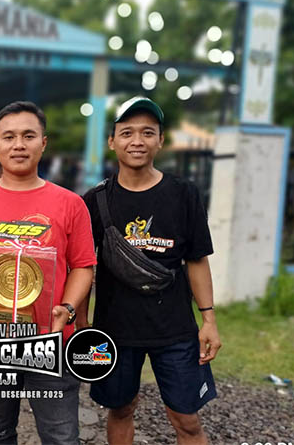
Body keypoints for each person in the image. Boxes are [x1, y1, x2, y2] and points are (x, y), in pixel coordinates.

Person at [0, 101, 96, 445]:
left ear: (44, 143)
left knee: (61, 437)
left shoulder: (71, 204)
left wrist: (68, 308)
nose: (19, 145)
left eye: (28, 135)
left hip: (51, 341)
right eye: (9, 137)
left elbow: (83, 266)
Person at [81, 96, 221, 445]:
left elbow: (197, 259)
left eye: (147, 132)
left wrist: (209, 320)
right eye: (127, 132)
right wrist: (81, 323)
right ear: (112, 141)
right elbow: (82, 266)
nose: (137, 141)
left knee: (187, 420)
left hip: (174, 329)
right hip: (115, 329)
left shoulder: (184, 194)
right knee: (120, 409)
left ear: (161, 140)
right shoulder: (95, 200)